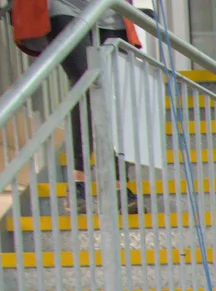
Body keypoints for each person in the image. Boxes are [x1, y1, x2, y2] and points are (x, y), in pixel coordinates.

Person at [48, 2, 135, 214]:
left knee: (112, 89)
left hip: (111, 11)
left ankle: (116, 183)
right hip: (65, 6)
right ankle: (79, 180)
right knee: (87, 81)